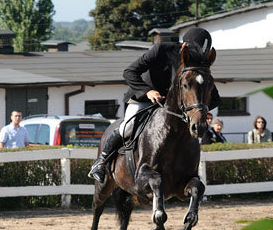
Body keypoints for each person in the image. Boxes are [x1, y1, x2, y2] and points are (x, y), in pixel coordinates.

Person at [88, 27, 222, 182]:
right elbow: (130, 72)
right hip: (144, 99)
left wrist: (196, 110)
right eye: (193, 55)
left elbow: (215, 98)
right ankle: (101, 161)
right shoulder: (161, 50)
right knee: (128, 126)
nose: (195, 60)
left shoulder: (197, 64)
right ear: (184, 46)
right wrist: (148, 91)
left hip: (171, 108)